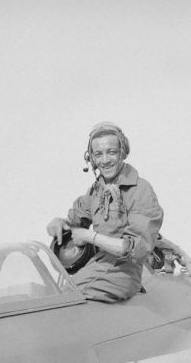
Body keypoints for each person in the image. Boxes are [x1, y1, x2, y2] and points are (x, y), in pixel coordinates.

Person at [47, 122, 164, 303]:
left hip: (121, 272)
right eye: (98, 154)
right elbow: (74, 223)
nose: (105, 160)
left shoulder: (141, 190)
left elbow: (136, 248)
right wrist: (58, 223)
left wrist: (89, 237)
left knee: (67, 299)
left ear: (123, 152)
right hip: (97, 265)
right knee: (52, 295)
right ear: (91, 158)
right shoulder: (97, 190)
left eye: (111, 152)